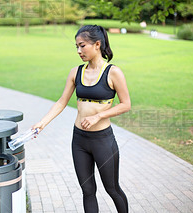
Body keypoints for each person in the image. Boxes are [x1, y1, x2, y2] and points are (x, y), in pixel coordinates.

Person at [32, 25, 130, 213]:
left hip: (103, 140)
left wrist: (98, 116)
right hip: (79, 140)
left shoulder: (113, 72)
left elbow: (126, 104)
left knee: (112, 189)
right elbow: (62, 102)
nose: (78, 51)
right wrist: (42, 123)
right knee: (87, 190)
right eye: (76, 46)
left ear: (97, 45)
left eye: (82, 45)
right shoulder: (76, 72)